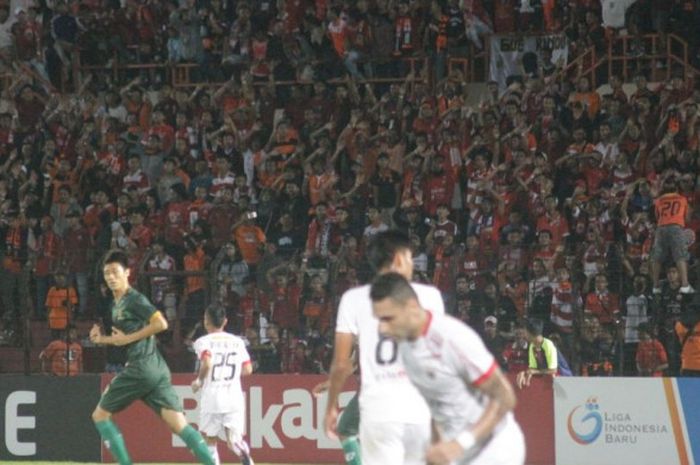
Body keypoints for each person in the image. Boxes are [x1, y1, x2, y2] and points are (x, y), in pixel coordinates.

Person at [369, 273, 525, 465]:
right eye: (379, 319)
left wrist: (460, 444)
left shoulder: (452, 338)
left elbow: (505, 397)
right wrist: (437, 447)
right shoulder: (404, 347)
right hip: (458, 452)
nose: (382, 329)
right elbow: (434, 402)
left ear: (411, 306)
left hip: (495, 448)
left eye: (388, 318)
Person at [322, 230, 445, 465]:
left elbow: (341, 363)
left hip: (377, 410)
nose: (412, 265)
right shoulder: (431, 297)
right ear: (399, 259)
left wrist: (331, 407)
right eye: (410, 258)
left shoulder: (353, 299)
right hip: (417, 407)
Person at [89, 249, 216, 465]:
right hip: (156, 368)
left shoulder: (134, 299)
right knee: (180, 426)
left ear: (127, 273)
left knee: (99, 415)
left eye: (115, 272)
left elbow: (161, 323)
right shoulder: (115, 305)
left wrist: (125, 338)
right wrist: (102, 340)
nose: (110, 277)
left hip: (141, 367)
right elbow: (126, 339)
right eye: (106, 273)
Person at [192, 304, 254, 465]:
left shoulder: (202, 342)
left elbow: (207, 362)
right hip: (234, 397)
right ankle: (245, 456)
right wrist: (231, 374)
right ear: (225, 321)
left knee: (209, 439)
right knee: (234, 440)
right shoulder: (237, 342)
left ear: (206, 322)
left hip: (212, 396)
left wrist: (199, 380)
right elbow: (247, 369)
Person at [651, 177, 694, 294]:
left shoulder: (659, 200)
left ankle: (655, 286)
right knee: (680, 256)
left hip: (661, 228)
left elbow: (657, 217)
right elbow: (687, 218)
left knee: (657, 257)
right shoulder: (682, 199)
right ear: (676, 188)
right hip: (675, 226)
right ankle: (685, 285)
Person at [516, 319, 559, 388]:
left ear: (530, 333)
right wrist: (525, 373)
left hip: (560, 383)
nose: (524, 335)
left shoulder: (548, 345)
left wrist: (535, 372)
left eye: (525, 332)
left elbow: (553, 370)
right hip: (545, 383)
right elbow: (533, 368)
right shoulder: (532, 346)